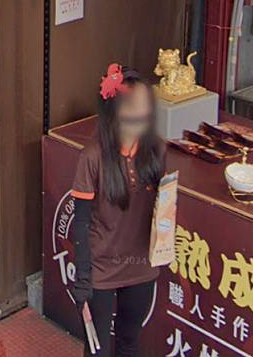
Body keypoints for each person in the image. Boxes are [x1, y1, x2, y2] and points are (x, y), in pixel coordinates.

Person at [71, 64, 166, 356]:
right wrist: (83, 280)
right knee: (97, 349)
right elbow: (82, 223)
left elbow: (164, 212)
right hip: (101, 270)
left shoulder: (157, 151)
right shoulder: (93, 157)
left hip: (141, 268)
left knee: (129, 343)